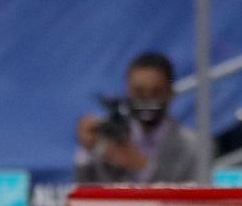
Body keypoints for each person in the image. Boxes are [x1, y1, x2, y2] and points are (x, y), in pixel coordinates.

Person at [74, 51, 213, 184]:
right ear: (127, 90)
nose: (147, 100)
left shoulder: (196, 147)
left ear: (170, 93)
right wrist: (87, 150)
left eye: (156, 92)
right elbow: (83, 193)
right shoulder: (109, 137)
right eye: (139, 92)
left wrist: (142, 167)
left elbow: (194, 201)